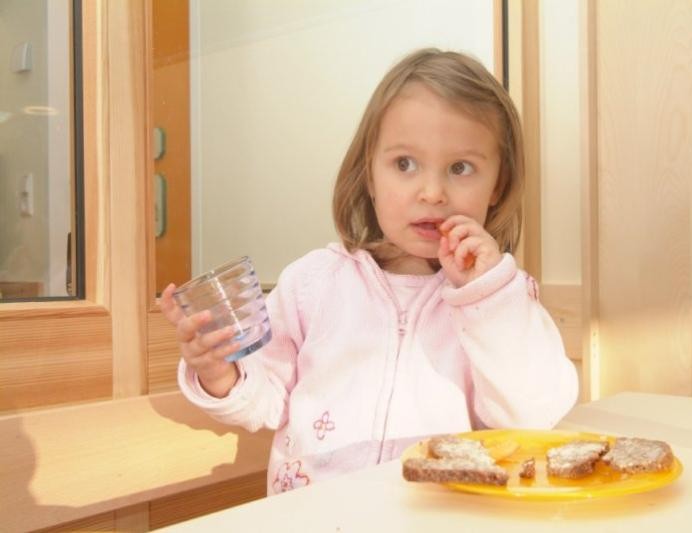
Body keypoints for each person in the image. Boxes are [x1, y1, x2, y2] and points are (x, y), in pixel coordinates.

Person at [160, 48, 578, 495]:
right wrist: (218, 373)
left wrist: (487, 297)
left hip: (436, 518)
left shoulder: (501, 299)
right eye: (404, 164)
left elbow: (534, 414)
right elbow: (263, 401)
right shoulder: (313, 283)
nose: (432, 192)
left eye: (461, 168)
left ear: (498, 184)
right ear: (369, 175)